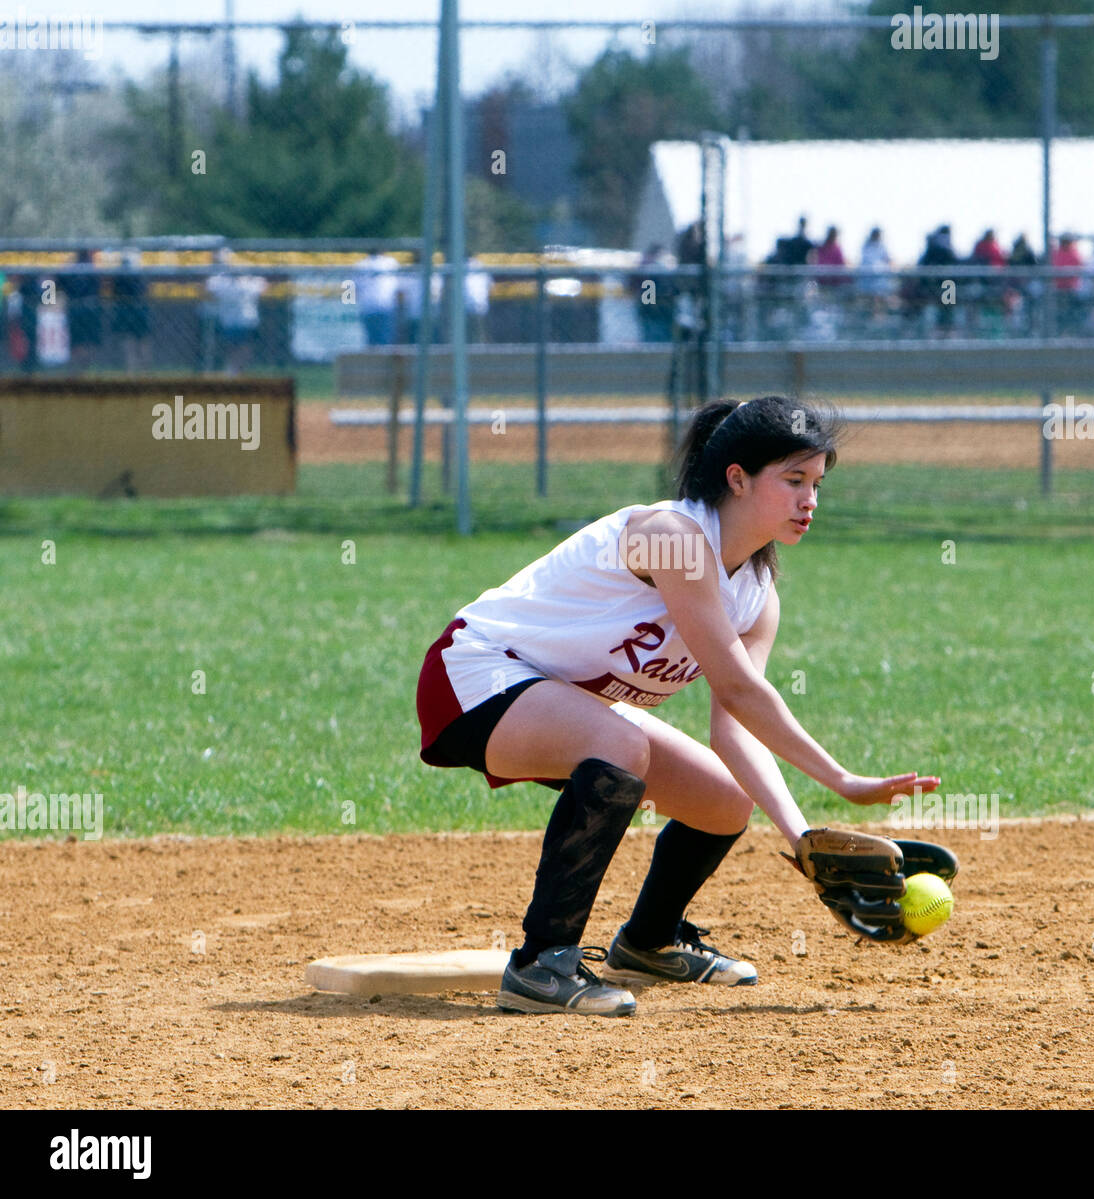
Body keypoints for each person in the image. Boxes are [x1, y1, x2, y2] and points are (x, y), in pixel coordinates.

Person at [415, 395, 941, 1016]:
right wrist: (843, 781)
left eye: (818, 483)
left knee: (722, 798)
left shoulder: (757, 594)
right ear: (736, 478)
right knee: (621, 747)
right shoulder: (673, 538)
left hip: (568, 701)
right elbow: (744, 689)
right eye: (793, 480)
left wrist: (802, 837)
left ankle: (648, 942)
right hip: (474, 678)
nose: (810, 501)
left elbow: (735, 725)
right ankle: (540, 963)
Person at [206, 249, 267, 376]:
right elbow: (209, 288)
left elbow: (263, 286)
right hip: (230, 322)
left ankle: (236, 371)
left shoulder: (247, 282)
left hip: (247, 321)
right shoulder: (222, 281)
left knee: (244, 348)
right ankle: (232, 371)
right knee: (232, 347)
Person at [111, 248, 152, 371]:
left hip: (132, 308)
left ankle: (137, 368)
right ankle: (136, 369)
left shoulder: (133, 271)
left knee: (136, 340)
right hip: (131, 308)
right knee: (134, 340)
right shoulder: (133, 271)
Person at [356, 251, 401, 346]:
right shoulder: (391, 263)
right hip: (386, 306)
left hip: (369, 307)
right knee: (385, 341)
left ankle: (372, 359)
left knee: (372, 342)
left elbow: (351, 290)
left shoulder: (361, 264)